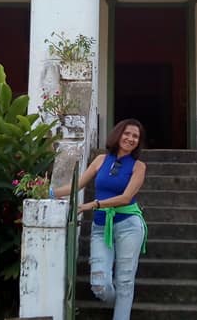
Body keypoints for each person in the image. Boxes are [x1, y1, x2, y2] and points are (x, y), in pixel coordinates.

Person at [50, 118, 148, 320]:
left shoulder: (139, 167)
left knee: (125, 281)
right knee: (99, 284)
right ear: (118, 134)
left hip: (129, 226)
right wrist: (49, 193)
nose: (130, 139)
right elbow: (77, 185)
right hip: (101, 227)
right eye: (127, 133)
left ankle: (122, 312)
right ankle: (121, 303)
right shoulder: (101, 160)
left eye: (135, 136)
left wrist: (93, 205)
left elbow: (125, 198)